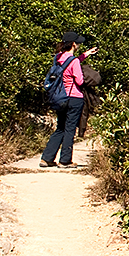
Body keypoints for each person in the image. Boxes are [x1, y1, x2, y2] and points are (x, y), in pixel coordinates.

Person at [40, 32, 99, 168]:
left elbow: (69, 63)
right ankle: (65, 160)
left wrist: (86, 54)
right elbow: (79, 80)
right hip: (74, 98)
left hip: (60, 97)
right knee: (70, 129)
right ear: (73, 44)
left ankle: (47, 158)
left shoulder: (58, 57)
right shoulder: (74, 61)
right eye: (77, 42)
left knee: (60, 127)